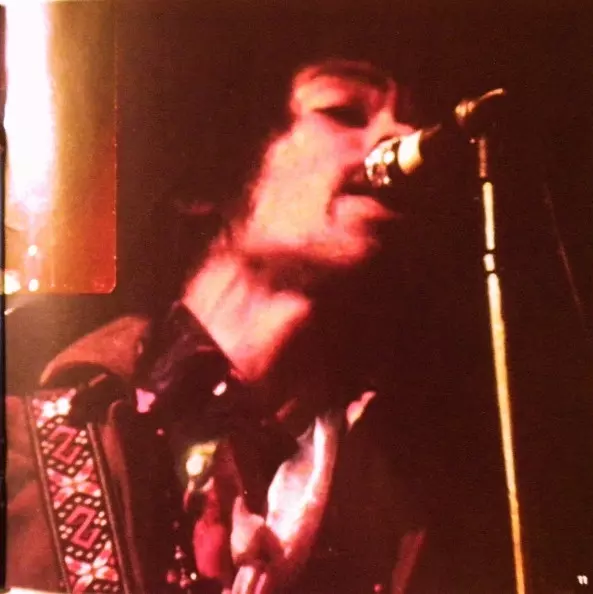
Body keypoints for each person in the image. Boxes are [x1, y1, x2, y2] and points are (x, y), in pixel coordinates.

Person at [5, 58, 429, 594]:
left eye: (409, 116)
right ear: (210, 176)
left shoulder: (409, 485)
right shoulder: (27, 441)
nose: (401, 133)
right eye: (344, 112)